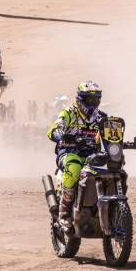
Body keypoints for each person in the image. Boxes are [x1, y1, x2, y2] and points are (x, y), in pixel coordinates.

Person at [47, 80, 106, 228]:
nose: (92, 103)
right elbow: (55, 128)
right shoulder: (69, 113)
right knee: (74, 168)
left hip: (92, 156)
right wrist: (61, 135)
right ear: (80, 99)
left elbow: (111, 133)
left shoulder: (102, 117)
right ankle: (64, 212)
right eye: (88, 99)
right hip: (68, 152)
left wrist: (121, 142)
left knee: (111, 167)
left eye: (96, 99)